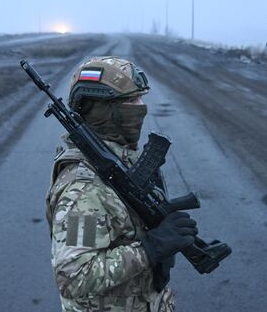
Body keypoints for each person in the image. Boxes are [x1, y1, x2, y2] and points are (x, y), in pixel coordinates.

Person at [45, 56, 198, 312]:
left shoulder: (118, 159)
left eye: (140, 98)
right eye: (131, 100)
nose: (141, 107)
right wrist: (153, 246)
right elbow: (74, 277)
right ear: (104, 110)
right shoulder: (85, 189)